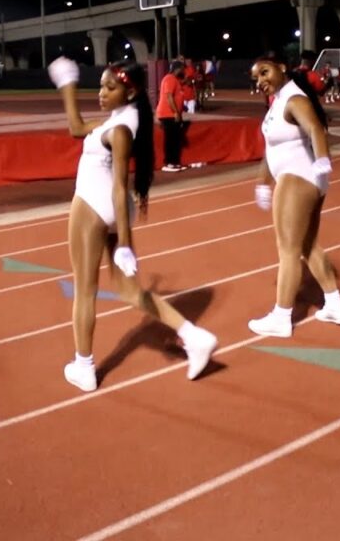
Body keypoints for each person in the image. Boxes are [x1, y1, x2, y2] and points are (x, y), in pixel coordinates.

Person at [47, 57, 217, 391]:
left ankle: (84, 367)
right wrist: (67, 85)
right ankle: (194, 336)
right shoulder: (122, 118)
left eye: (110, 88)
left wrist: (124, 241)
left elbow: (120, 184)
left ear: (132, 90)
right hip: (109, 208)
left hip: (94, 206)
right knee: (129, 291)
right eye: (101, 85)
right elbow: (77, 128)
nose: (101, 93)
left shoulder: (122, 128)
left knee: (85, 291)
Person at [246, 51, 340, 338]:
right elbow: (272, 149)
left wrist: (322, 160)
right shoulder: (279, 101)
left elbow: (316, 128)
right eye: (256, 78)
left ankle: (281, 316)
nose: (261, 81)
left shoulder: (294, 99)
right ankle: (334, 303)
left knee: (287, 249)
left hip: (297, 178)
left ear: (282, 68)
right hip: (301, 178)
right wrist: (262, 181)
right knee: (307, 245)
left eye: (265, 73)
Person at [156, 60, 186, 172]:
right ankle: (168, 163)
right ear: (177, 69)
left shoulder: (173, 79)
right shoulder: (170, 79)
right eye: (182, 68)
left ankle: (173, 162)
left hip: (170, 114)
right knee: (170, 139)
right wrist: (176, 113)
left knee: (174, 139)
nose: (183, 71)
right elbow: (169, 97)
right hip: (168, 114)